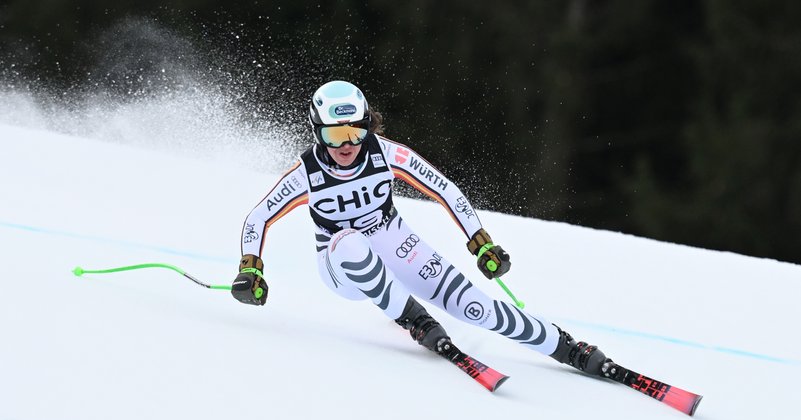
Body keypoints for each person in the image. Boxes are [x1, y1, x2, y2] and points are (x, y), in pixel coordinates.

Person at [231, 80, 612, 377]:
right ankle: (414, 319)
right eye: (335, 135)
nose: (347, 145)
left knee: (475, 306)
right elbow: (258, 218)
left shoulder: (387, 154)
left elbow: (445, 190)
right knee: (349, 241)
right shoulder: (307, 173)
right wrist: (251, 268)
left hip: (393, 241)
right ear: (317, 132)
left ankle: (565, 347)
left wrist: (481, 244)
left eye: (356, 132)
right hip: (340, 266)